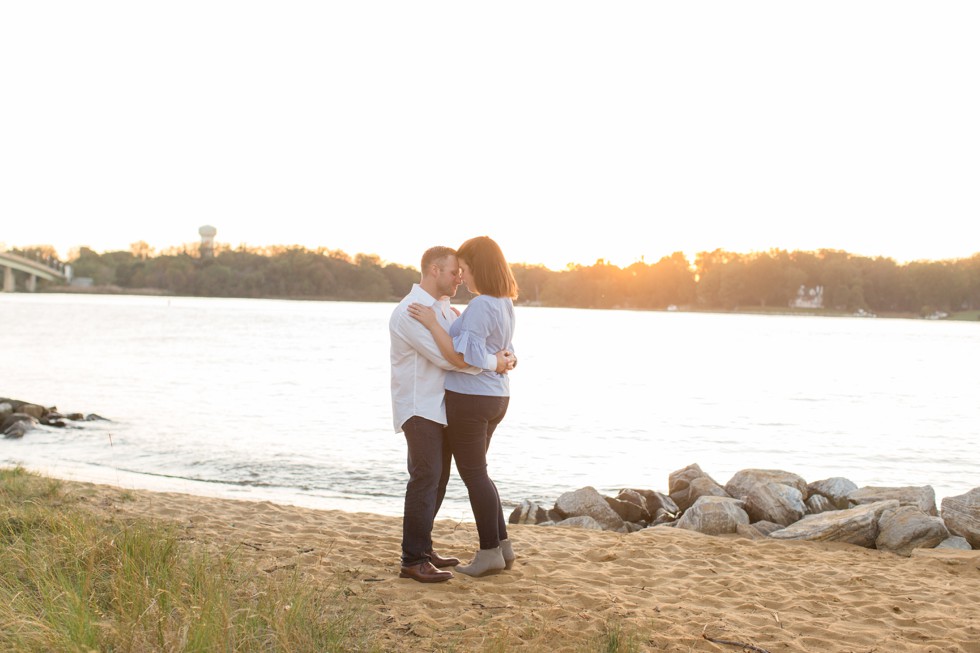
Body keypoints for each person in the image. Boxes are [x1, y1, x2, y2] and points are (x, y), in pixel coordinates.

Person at [389, 245, 515, 583]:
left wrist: (499, 358)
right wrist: (496, 364)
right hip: (419, 408)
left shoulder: (446, 310)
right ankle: (412, 559)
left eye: (462, 271)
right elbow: (452, 359)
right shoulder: (412, 312)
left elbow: (469, 346)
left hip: (443, 407)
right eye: (453, 271)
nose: (459, 277)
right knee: (426, 478)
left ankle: (424, 548)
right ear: (433, 271)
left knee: (440, 479)